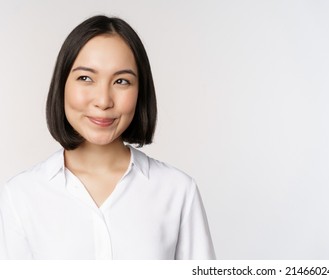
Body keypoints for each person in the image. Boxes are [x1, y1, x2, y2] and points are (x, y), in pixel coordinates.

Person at [0, 15, 216, 260]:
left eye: (121, 81)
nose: (103, 101)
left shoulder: (178, 191)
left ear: (140, 92)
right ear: (62, 84)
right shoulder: (21, 196)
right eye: (85, 78)